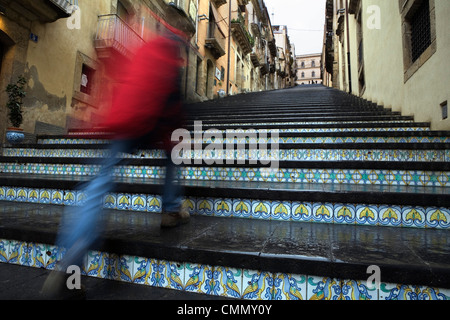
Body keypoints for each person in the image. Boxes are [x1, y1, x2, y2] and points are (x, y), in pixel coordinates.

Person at [41, 6, 191, 298]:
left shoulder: (147, 45)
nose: (188, 41)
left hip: (122, 119)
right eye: (188, 35)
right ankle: (171, 209)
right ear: (181, 31)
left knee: (97, 186)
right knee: (174, 155)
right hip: (148, 120)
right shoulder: (172, 48)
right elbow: (171, 100)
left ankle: (71, 265)